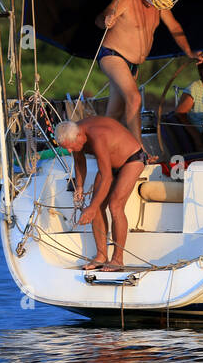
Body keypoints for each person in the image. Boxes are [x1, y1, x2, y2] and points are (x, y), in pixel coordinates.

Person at [95, 0, 197, 135]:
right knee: (135, 99)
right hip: (113, 55)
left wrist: (189, 52)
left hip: (133, 65)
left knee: (115, 113)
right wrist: (106, 19)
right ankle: (139, 151)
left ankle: (101, 145)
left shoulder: (159, 6)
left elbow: (174, 27)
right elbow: (102, 16)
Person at [54, 116, 148, 271]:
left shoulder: (98, 136)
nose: (69, 150)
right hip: (110, 164)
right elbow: (79, 160)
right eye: (66, 148)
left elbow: (106, 177)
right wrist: (79, 187)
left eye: (70, 147)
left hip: (132, 159)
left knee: (115, 205)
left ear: (79, 136)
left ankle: (117, 259)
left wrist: (90, 208)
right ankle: (101, 256)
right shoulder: (74, 132)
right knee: (96, 207)